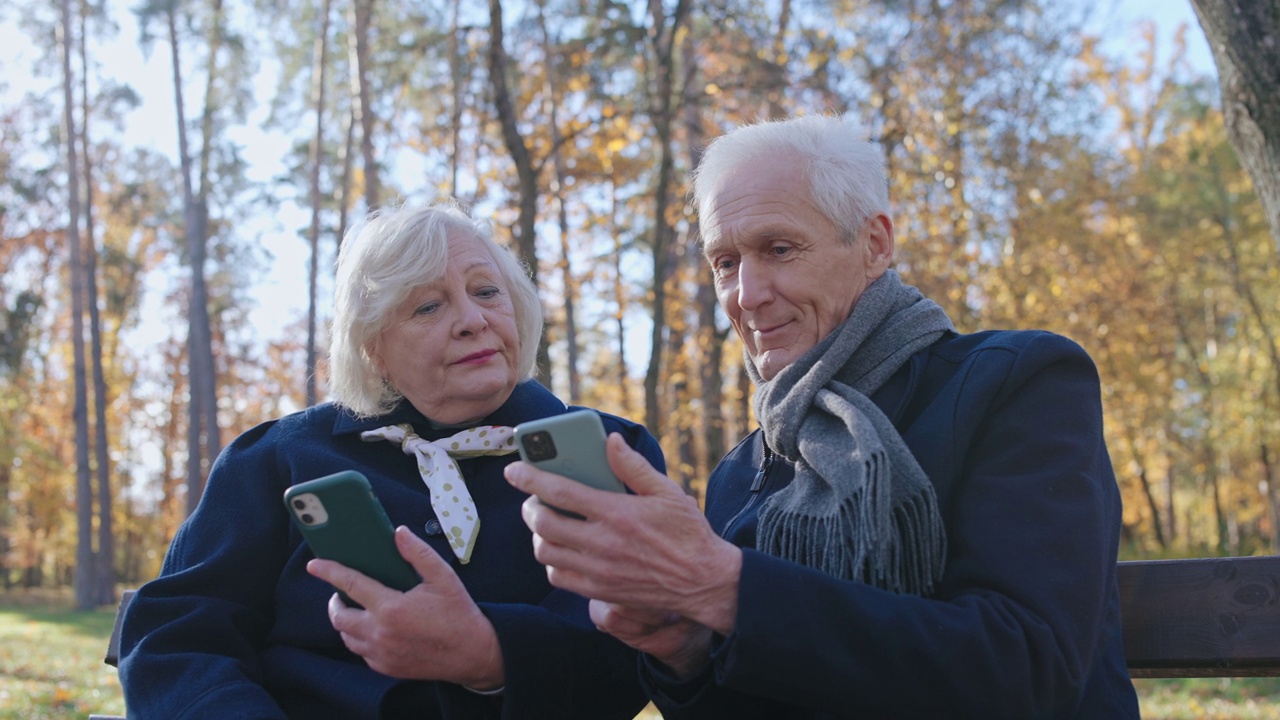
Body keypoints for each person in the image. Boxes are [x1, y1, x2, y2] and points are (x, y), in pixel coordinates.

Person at [505, 114, 1141, 718]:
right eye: (725, 263)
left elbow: (1030, 668)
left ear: (874, 244)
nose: (746, 295)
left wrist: (727, 587)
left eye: (779, 249)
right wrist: (686, 652)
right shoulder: (746, 468)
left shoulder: (1017, 382)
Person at [118, 201, 666, 719]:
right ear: (372, 348)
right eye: (428, 306)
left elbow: (638, 646)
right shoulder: (275, 458)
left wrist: (489, 654)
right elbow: (179, 637)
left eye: (486, 291)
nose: (472, 319)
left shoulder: (609, 453)